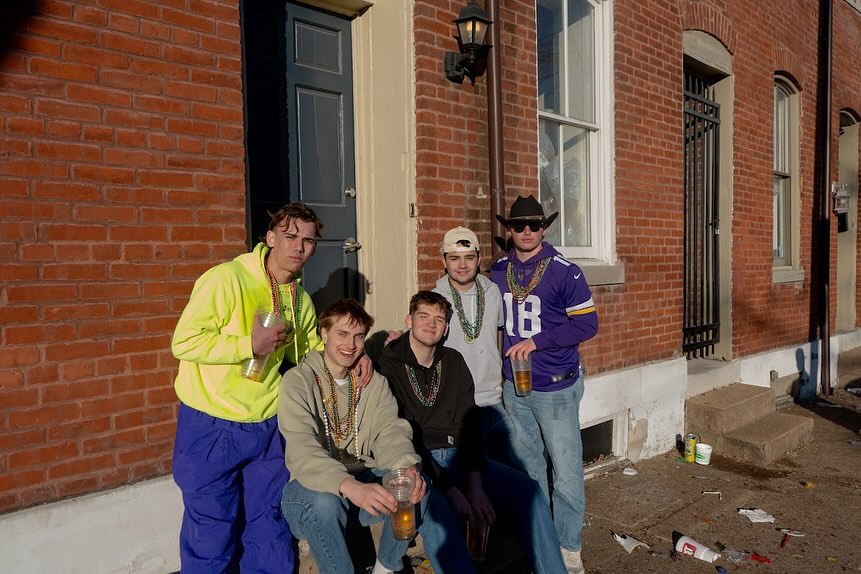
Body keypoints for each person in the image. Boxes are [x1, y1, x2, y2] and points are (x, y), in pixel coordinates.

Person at [171, 203, 328, 572]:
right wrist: (248, 345)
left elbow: (313, 354)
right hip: (212, 424)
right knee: (211, 533)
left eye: (308, 241)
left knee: (268, 526)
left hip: (267, 426)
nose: (298, 247)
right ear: (270, 237)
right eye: (290, 236)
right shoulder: (226, 279)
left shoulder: (300, 300)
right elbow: (185, 342)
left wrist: (355, 357)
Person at [278, 299, 475, 574]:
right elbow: (302, 448)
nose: (351, 345)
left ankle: (385, 568)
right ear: (324, 334)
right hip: (309, 493)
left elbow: (390, 430)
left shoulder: (373, 383)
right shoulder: (298, 381)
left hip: (362, 484)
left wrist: (406, 466)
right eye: (342, 334)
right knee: (325, 503)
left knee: (414, 483)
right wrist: (349, 486)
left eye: (359, 336)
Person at [379, 291, 566, 573]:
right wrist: (456, 494)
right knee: (443, 524)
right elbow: (406, 441)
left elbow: (469, 426)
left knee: (530, 491)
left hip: (461, 457)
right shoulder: (388, 367)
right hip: (420, 466)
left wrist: (475, 486)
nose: (431, 324)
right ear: (409, 320)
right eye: (423, 316)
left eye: (439, 319)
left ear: (446, 329)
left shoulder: (453, 361)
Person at [490, 195, 599, 574]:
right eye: (519, 225)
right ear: (509, 230)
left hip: (556, 387)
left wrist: (537, 342)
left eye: (534, 225)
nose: (526, 231)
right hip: (514, 386)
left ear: (545, 228)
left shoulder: (565, 271)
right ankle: (540, 535)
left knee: (566, 473)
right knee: (529, 468)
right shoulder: (498, 270)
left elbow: (587, 324)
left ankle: (568, 545)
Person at [432, 227, 512, 461]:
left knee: (506, 467)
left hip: (492, 399)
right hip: (456, 404)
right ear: (444, 261)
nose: (462, 265)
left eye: (469, 257)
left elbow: (498, 333)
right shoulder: (436, 299)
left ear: (478, 259)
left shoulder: (492, 292)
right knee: (469, 471)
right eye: (454, 258)